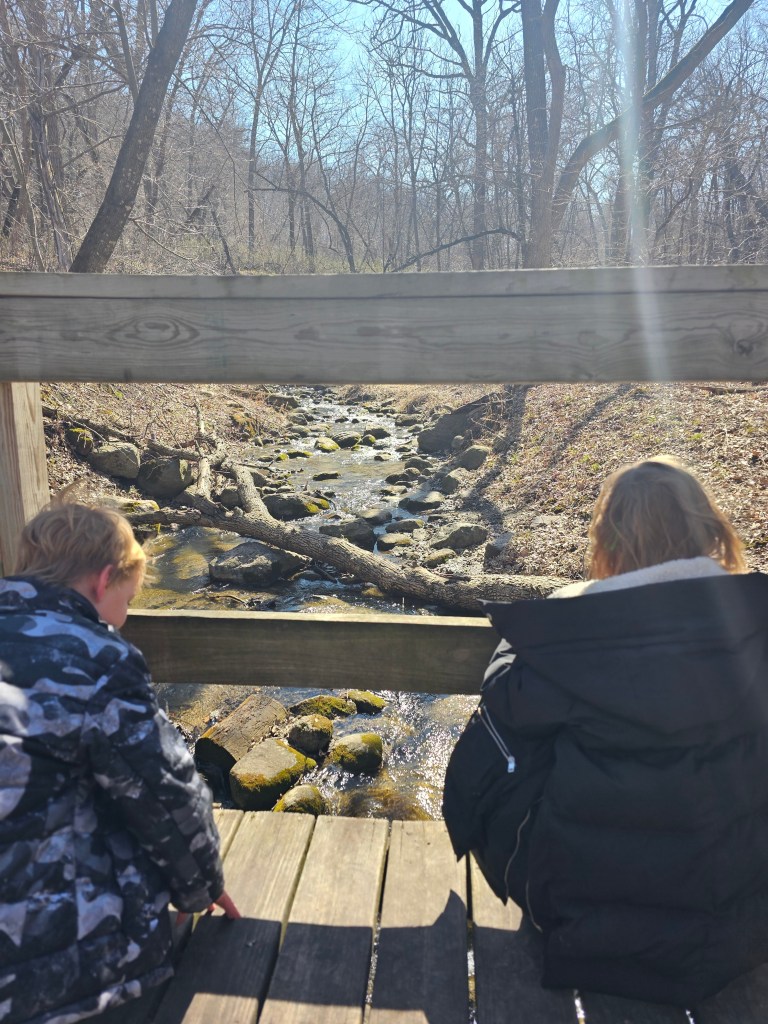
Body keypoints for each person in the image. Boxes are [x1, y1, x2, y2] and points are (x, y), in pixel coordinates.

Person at [443, 456, 768, 1007]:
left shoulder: (574, 639)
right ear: (708, 530)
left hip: (583, 912)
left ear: (609, 541)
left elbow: (505, 705)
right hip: (739, 914)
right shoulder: (755, 623)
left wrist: (523, 639)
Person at [0, 502, 240, 1024]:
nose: (124, 618)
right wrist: (202, 885)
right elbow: (164, 791)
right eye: (128, 601)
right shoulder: (99, 658)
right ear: (104, 579)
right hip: (34, 962)